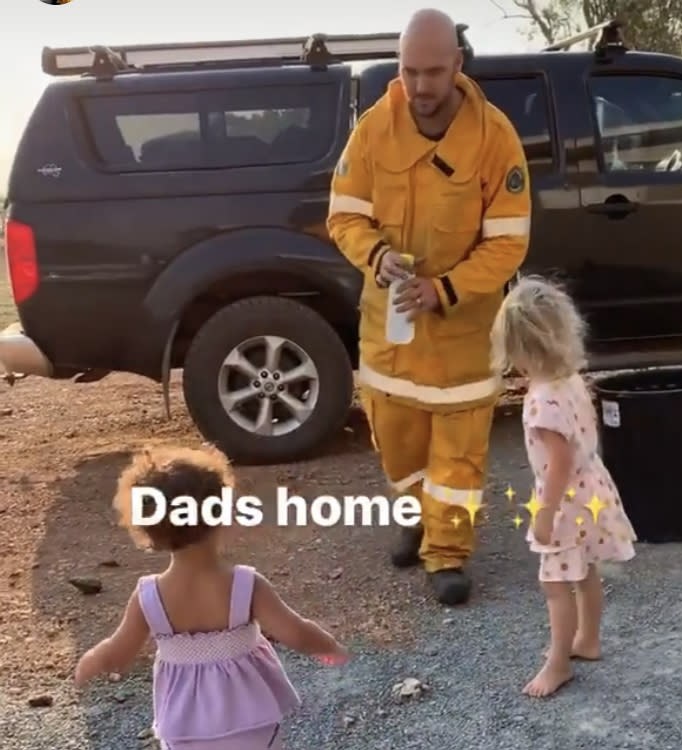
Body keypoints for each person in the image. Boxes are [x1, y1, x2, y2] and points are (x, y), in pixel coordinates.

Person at [326, 8, 531, 605]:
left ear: (458, 66)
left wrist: (444, 290)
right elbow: (344, 214)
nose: (420, 86)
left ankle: (447, 554)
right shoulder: (373, 129)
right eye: (410, 71)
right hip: (389, 335)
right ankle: (417, 517)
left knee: (458, 458)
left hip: (462, 338)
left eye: (434, 72)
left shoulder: (495, 138)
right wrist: (376, 254)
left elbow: (508, 239)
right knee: (398, 447)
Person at [73, 445, 348, 749]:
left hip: (184, 731)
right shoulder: (245, 585)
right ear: (222, 515)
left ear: (150, 529)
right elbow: (296, 633)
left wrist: (91, 663)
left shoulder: (149, 596)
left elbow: (117, 655)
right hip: (252, 724)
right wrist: (331, 648)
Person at [490, 275, 637, 698]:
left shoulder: (541, 401)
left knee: (554, 586)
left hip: (566, 503)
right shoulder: (570, 379)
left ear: (523, 349)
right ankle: (587, 640)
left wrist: (544, 515)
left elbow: (558, 464)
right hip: (592, 489)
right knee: (585, 571)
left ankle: (558, 665)